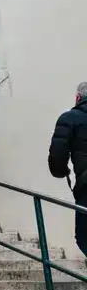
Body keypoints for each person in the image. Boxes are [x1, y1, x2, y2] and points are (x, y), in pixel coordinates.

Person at [48, 81, 87, 258]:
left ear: (77, 97)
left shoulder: (70, 118)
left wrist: (61, 171)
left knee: (84, 236)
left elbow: (57, 154)